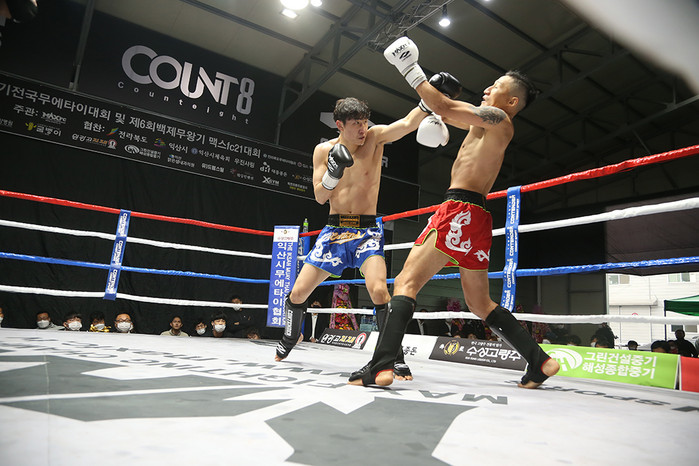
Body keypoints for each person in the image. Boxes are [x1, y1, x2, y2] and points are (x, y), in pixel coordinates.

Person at [349, 36, 560, 389]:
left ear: (511, 101)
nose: (487, 89)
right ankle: (539, 361)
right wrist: (437, 114)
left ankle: (382, 365)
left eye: (496, 87)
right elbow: (445, 112)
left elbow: (442, 104)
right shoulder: (484, 124)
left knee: (406, 282)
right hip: (477, 216)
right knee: (479, 303)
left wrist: (410, 69)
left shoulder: (498, 118)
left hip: (459, 209)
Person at [274, 94, 434, 385]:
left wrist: (429, 99)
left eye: (365, 122)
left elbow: (408, 124)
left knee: (379, 291)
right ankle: (291, 335)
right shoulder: (323, 151)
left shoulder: (375, 138)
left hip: (367, 231)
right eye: (356, 124)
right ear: (340, 125)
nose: (363, 129)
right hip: (334, 231)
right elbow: (320, 196)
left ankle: (394, 356)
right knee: (297, 294)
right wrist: (333, 173)